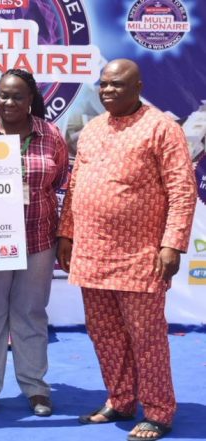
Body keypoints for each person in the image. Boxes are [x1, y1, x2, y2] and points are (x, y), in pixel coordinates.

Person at [57, 59, 196, 441]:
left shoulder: (161, 128)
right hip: (92, 252)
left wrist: (172, 244)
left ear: (138, 87)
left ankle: (158, 411)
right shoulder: (92, 129)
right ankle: (120, 400)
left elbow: (182, 190)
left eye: (117, 84)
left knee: (146, 337)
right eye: (103, 84)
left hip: (140, 255)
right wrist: (66, 233)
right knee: (104, 332)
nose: (107, 91)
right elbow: (75, 185)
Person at [0, 69, 68, 417]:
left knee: (30, 313)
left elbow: (59, 181)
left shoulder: (51, 136)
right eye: (3, 95)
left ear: (31, 99)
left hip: (37, 239)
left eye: (17, 96)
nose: (9, 102)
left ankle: (35, 388)